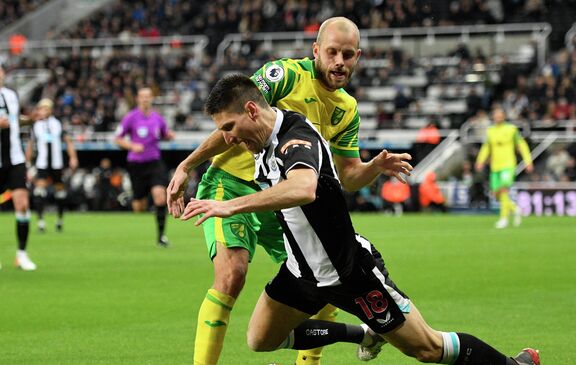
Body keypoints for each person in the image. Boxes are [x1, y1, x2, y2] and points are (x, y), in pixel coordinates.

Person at [181, 74, 541, 365]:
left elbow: (304, 187)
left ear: (252, 110)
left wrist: (231, 205)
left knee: (427, 349)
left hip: (350, 272)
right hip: (302, 273)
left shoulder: (295, 139)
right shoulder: (259, 143)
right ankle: (364, 333)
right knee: (260, 339)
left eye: (229, 126)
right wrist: (187, 166)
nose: (226, 138)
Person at [167, 17, 412, 365]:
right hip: (230, 185)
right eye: (332, 53)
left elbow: (349, 177)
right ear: (316, 51)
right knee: (231, 276)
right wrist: (187, 164)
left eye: (347, 54)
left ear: (358, 56)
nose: (339, 62)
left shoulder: (348, 110)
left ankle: (336, 348)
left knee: (324, 287)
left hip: (282, 201)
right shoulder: (284, 75)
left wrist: (373, 168)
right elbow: (231, 119)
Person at [115, 87, 175, 246]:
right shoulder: (131, 117)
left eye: (148, 97)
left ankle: (161, 237)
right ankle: (130, 198)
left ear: (151, 98)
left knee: (160, 196)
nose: (145, 99)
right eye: (142, 97)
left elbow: (165, 133)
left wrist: (169, 136)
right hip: (136, 164)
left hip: (154, 162)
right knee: (139, 206)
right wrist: (131, 146)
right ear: (137, 99)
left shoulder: (157, 118)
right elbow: (118, 139)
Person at [0, 63, 36, 270]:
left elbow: (13, 121)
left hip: (15, 158)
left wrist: (30, 119)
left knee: (22, 203)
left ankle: (21, 254)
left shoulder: (11, 96)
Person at [475, 106, 533, 229]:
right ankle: (515, 209)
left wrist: (528, 160)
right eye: (496, 115)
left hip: (508, 165)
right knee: (496, 194)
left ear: (504, 116)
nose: (498, 117)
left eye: (500, 115)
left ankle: (504, 219)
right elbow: (486, 147)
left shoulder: (511, 130)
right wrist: (480, 161)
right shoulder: (490, 131)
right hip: (495, 166)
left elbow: (521, 144)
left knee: (503, 190)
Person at [25, 98, 78, 232]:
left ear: (50, 110)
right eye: (41, 108)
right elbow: (30, 145)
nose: (43, 111)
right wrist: (26, 163)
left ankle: (59, 220)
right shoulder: (35, 125)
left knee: (60, 191)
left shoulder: (58, 124)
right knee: (39, 191)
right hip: (42, 163)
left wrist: (73, 157)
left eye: (46, 108)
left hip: (57, 163)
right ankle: (41, 222)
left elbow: (68, 141)